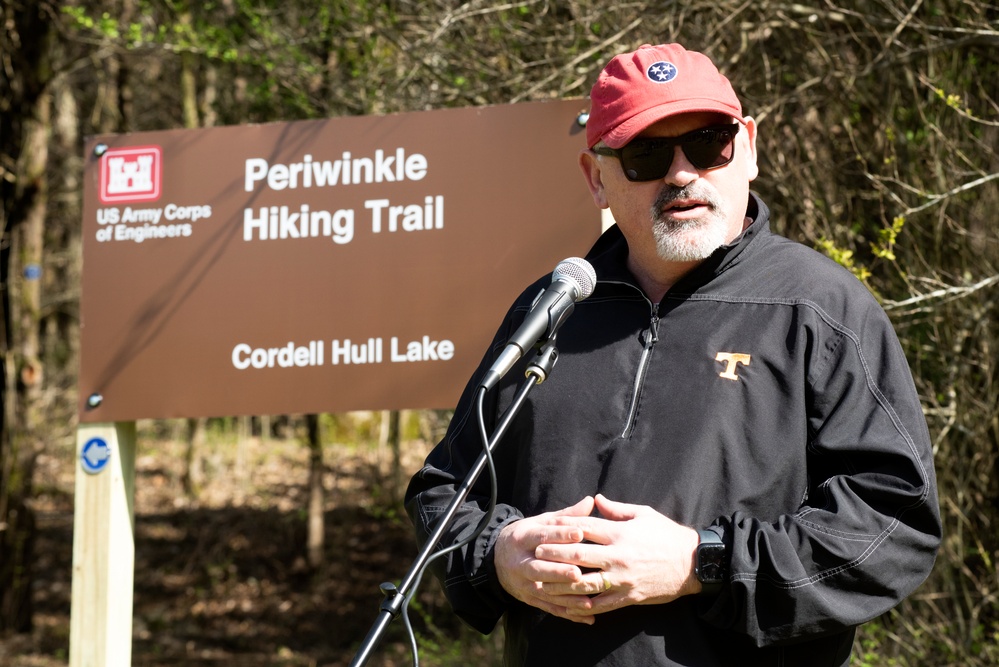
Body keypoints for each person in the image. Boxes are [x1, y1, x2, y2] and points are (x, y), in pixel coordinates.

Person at [405, 43, 941, 666]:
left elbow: (893, 522)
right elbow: (445, 487)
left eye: (709, 142)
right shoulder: (551, 309)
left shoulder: (820, 308)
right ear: (595, 176)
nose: (681, 173)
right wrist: (497, 555)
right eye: (647, 155)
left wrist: (702, 562)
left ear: (748, 148)